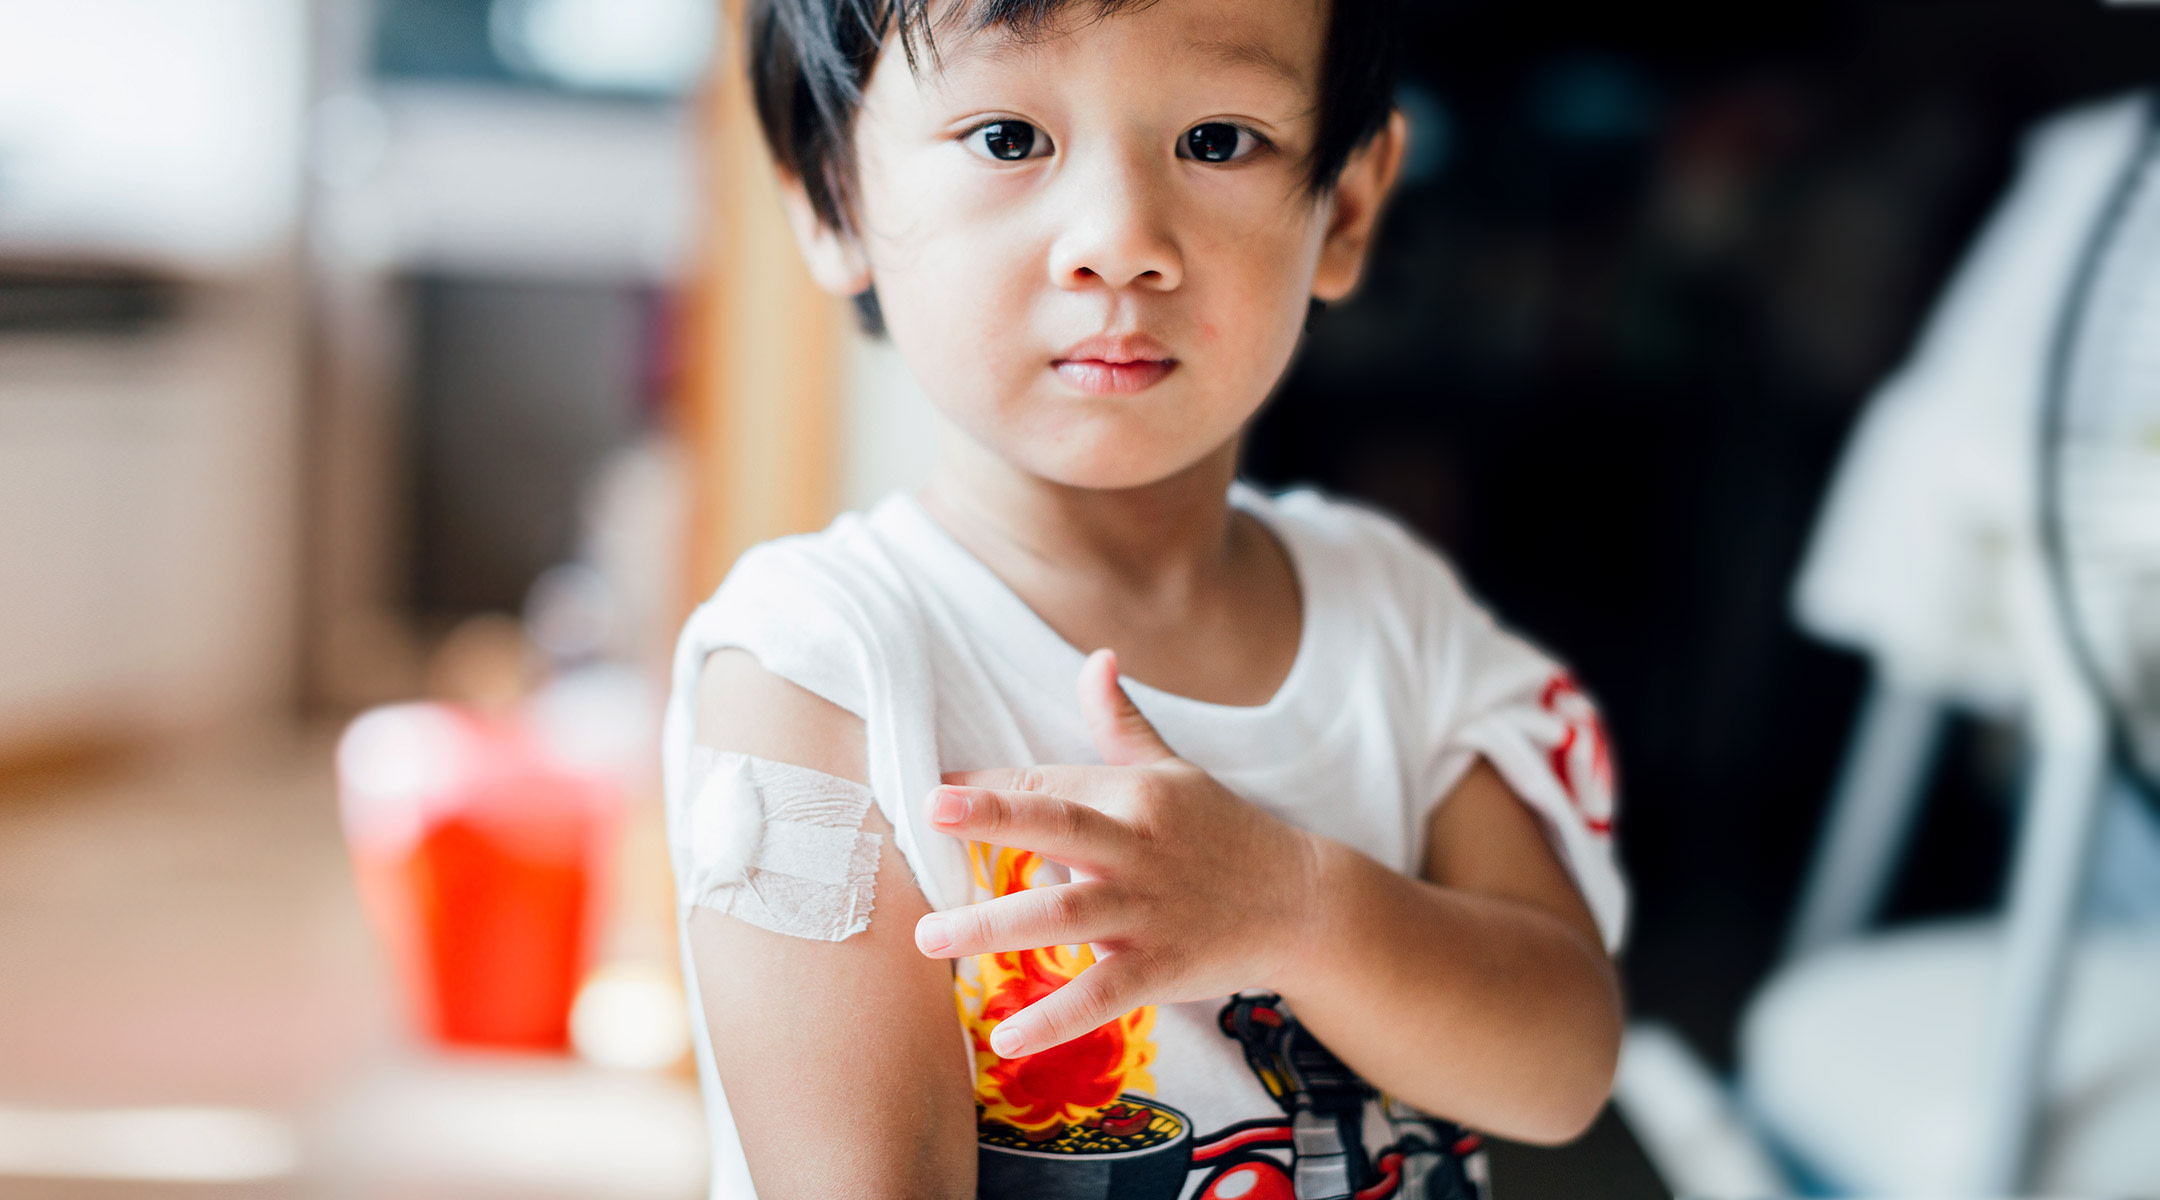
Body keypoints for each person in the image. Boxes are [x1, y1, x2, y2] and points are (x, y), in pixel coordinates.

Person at [660, 0, 1628, 1194]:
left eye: (1217, 140)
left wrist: (1294, 908)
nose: (1120, 241)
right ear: (831, 195)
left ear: (1353, 201)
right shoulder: (818, 665)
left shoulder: (1396, 614)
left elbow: (1563, 1063)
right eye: (1009, 138)